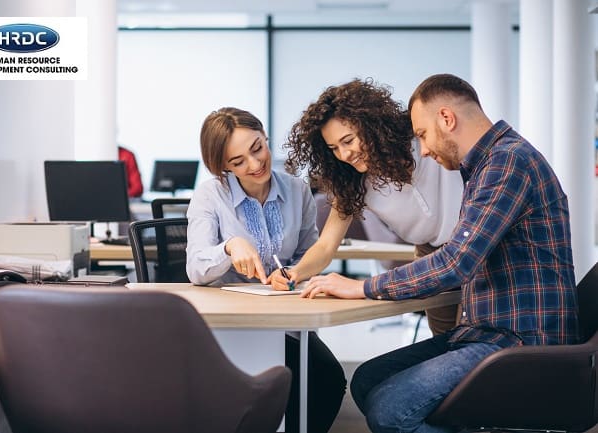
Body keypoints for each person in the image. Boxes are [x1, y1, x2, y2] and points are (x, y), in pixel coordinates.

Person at [299, 74, 581, 433]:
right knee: (367, 381)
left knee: (390, 410)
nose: (424, 150)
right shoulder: (482, 166)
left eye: (422, 135)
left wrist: (363, 286)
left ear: (447, 119)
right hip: (485, 330)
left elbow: (456, 262)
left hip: (519, 339)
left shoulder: (507, 163)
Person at [185, 107, 345, 433]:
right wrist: (230, 247)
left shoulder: (297, 190)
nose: (255, 164)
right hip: (229, 327)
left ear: (265, 136)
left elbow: (308, 253)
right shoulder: (210, 195)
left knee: (326, 379)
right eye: (238, 161)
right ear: (222, 167)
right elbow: (196, 269)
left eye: (258, 148)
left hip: (283, 319)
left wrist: (293, 272)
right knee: (281, 384)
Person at [277, 78, 464, 336]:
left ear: (371, 126)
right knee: (446, 344)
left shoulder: (421, 141)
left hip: (473, 245)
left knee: (475, 342)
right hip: (429, 256)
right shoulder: (354, 182)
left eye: (348, 140)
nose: (344, 155)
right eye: (334, 148)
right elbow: (325, 245)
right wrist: (294, 272)